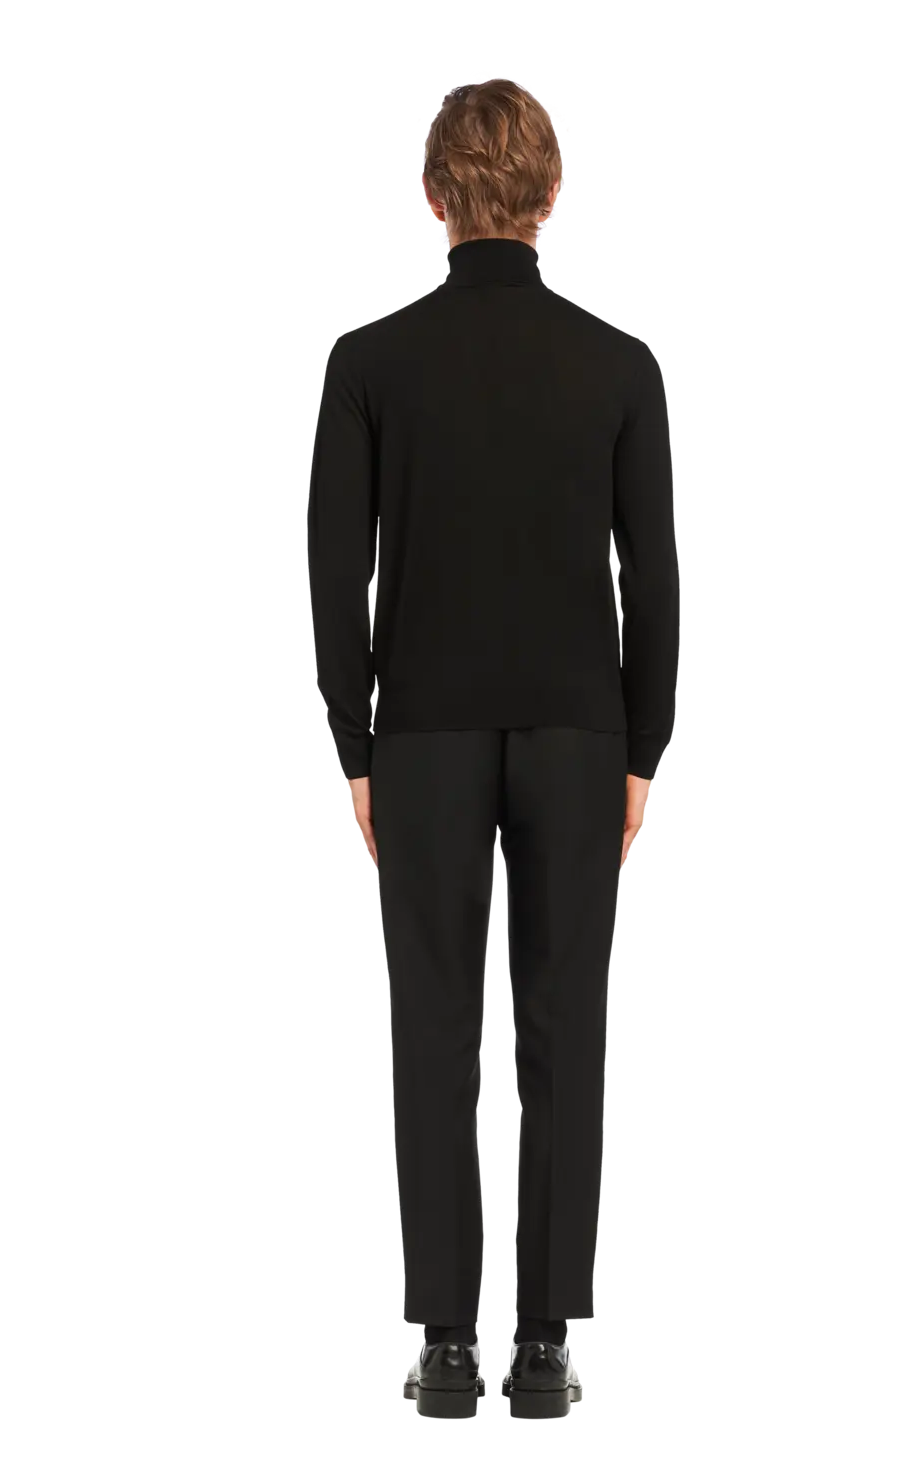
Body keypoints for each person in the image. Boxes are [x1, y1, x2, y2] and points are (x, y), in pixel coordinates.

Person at [307, 76, 679, 1393]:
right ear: (554, 194)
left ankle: (449, 1346)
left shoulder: (368, 365)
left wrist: (356, 751)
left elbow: (333, 578)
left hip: (421, 734)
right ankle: (548, 1347)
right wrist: (644, 752)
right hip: (581, 732)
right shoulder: (620, 366)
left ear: (431, 194)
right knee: (567, 1025)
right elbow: (655, 582)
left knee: (433, 1025)